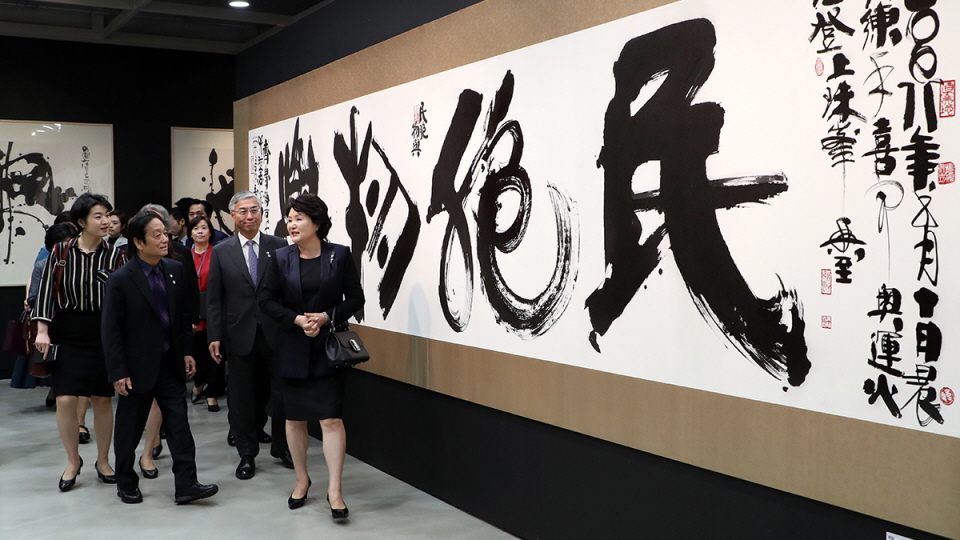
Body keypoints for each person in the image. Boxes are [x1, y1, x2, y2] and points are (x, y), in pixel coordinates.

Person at [101, 211, 218, 505]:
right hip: (136, 367)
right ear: (139, 242)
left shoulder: (174, 270)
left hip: (170, 363)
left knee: (179, 426)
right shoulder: (121, 280)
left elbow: (181, 318)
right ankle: (126, 480)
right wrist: (118, 371)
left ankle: (187, 484)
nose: (165, 239)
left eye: (165, 233)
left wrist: (188, 352)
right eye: (157, 234)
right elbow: (111, 331)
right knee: (130, 427)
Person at [259, 192, 364, 519]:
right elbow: (265, 299)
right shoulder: (280, 258)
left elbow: (356, 298)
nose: (291, 224)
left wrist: (326, 316)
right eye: (289, 219)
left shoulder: (339, 255)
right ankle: (301, 479)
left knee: (331, 418)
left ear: (317, 223)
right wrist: (296, 319)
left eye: (298, 218)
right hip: (292, 346)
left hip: (328, 348)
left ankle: (335, 489)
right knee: (294, 418)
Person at [32, 193, 125, 492]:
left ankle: (102, 460)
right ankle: (73, 460)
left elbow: (123, 299)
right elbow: (45, 291)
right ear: (81, 222)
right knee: (66, 398)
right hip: (67, 332)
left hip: (103, 332)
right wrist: (42, 329)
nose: (105, 221)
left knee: (101, 398)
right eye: (98, 216)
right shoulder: (61, 252)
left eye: (107, 215)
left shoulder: (116, 255)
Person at [207, 190, 292, 479]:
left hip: (275, 332)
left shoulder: (279, 246)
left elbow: (286, 292)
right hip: (238, 333)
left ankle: (282, 446)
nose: (249, 216)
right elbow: (215, 299)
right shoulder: (221, 251)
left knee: (281, 393)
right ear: (233, 216)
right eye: (243, 211)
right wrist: (214, 335)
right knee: (241, 398)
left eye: (254, 210)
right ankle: (247, 454)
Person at [186, 215, 225, 412]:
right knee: (195, 355)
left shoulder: (218, 253)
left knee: (214, 357)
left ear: (211, 232)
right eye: (195, 228)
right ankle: (198, 384)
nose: (200, 231)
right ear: (190, 233)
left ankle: (211, 394)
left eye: (204, 228)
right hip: (192, 312)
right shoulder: (185, 255)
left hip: (214, 311)